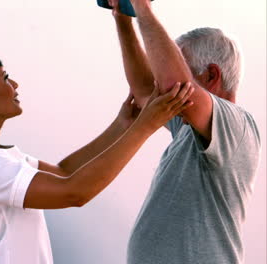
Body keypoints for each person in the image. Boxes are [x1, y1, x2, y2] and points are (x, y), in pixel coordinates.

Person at [0, 49, 193, 264]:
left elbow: (63, 172)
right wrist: (145, 126)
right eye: (5, 78)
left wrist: (123, 124)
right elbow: (74, 192)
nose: (14, 85)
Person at [108, 0, 262, 263]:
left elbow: (173, 84)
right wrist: (122, 18)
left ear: (211, 76)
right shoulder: (189, 128)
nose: (163, 85)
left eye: (180, 68)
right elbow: (146, 92)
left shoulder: (237, 126)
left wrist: (141, 6)